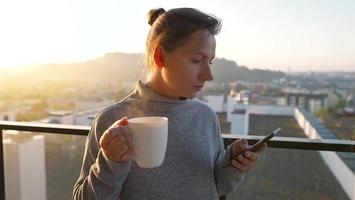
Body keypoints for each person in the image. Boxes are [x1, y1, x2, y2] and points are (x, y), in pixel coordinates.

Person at [73, 7, 267, 200]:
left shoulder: (206, 116)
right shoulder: (112, 121)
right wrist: (110, 162)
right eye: (196, 60)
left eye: (210, 62)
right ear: (160, 57)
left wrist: (233, 165)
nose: (209, 75)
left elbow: (219, 186)